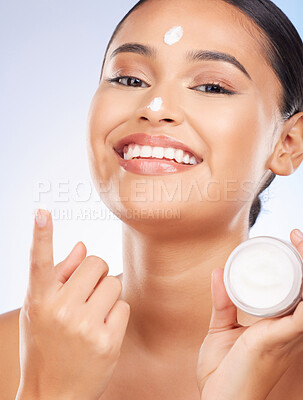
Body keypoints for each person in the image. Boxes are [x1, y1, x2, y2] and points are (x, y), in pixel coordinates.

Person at [1, 0, 303, 398]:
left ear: (287, 143)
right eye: (129, 80)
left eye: (211, 86)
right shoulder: (16, 351)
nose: (154, 108)